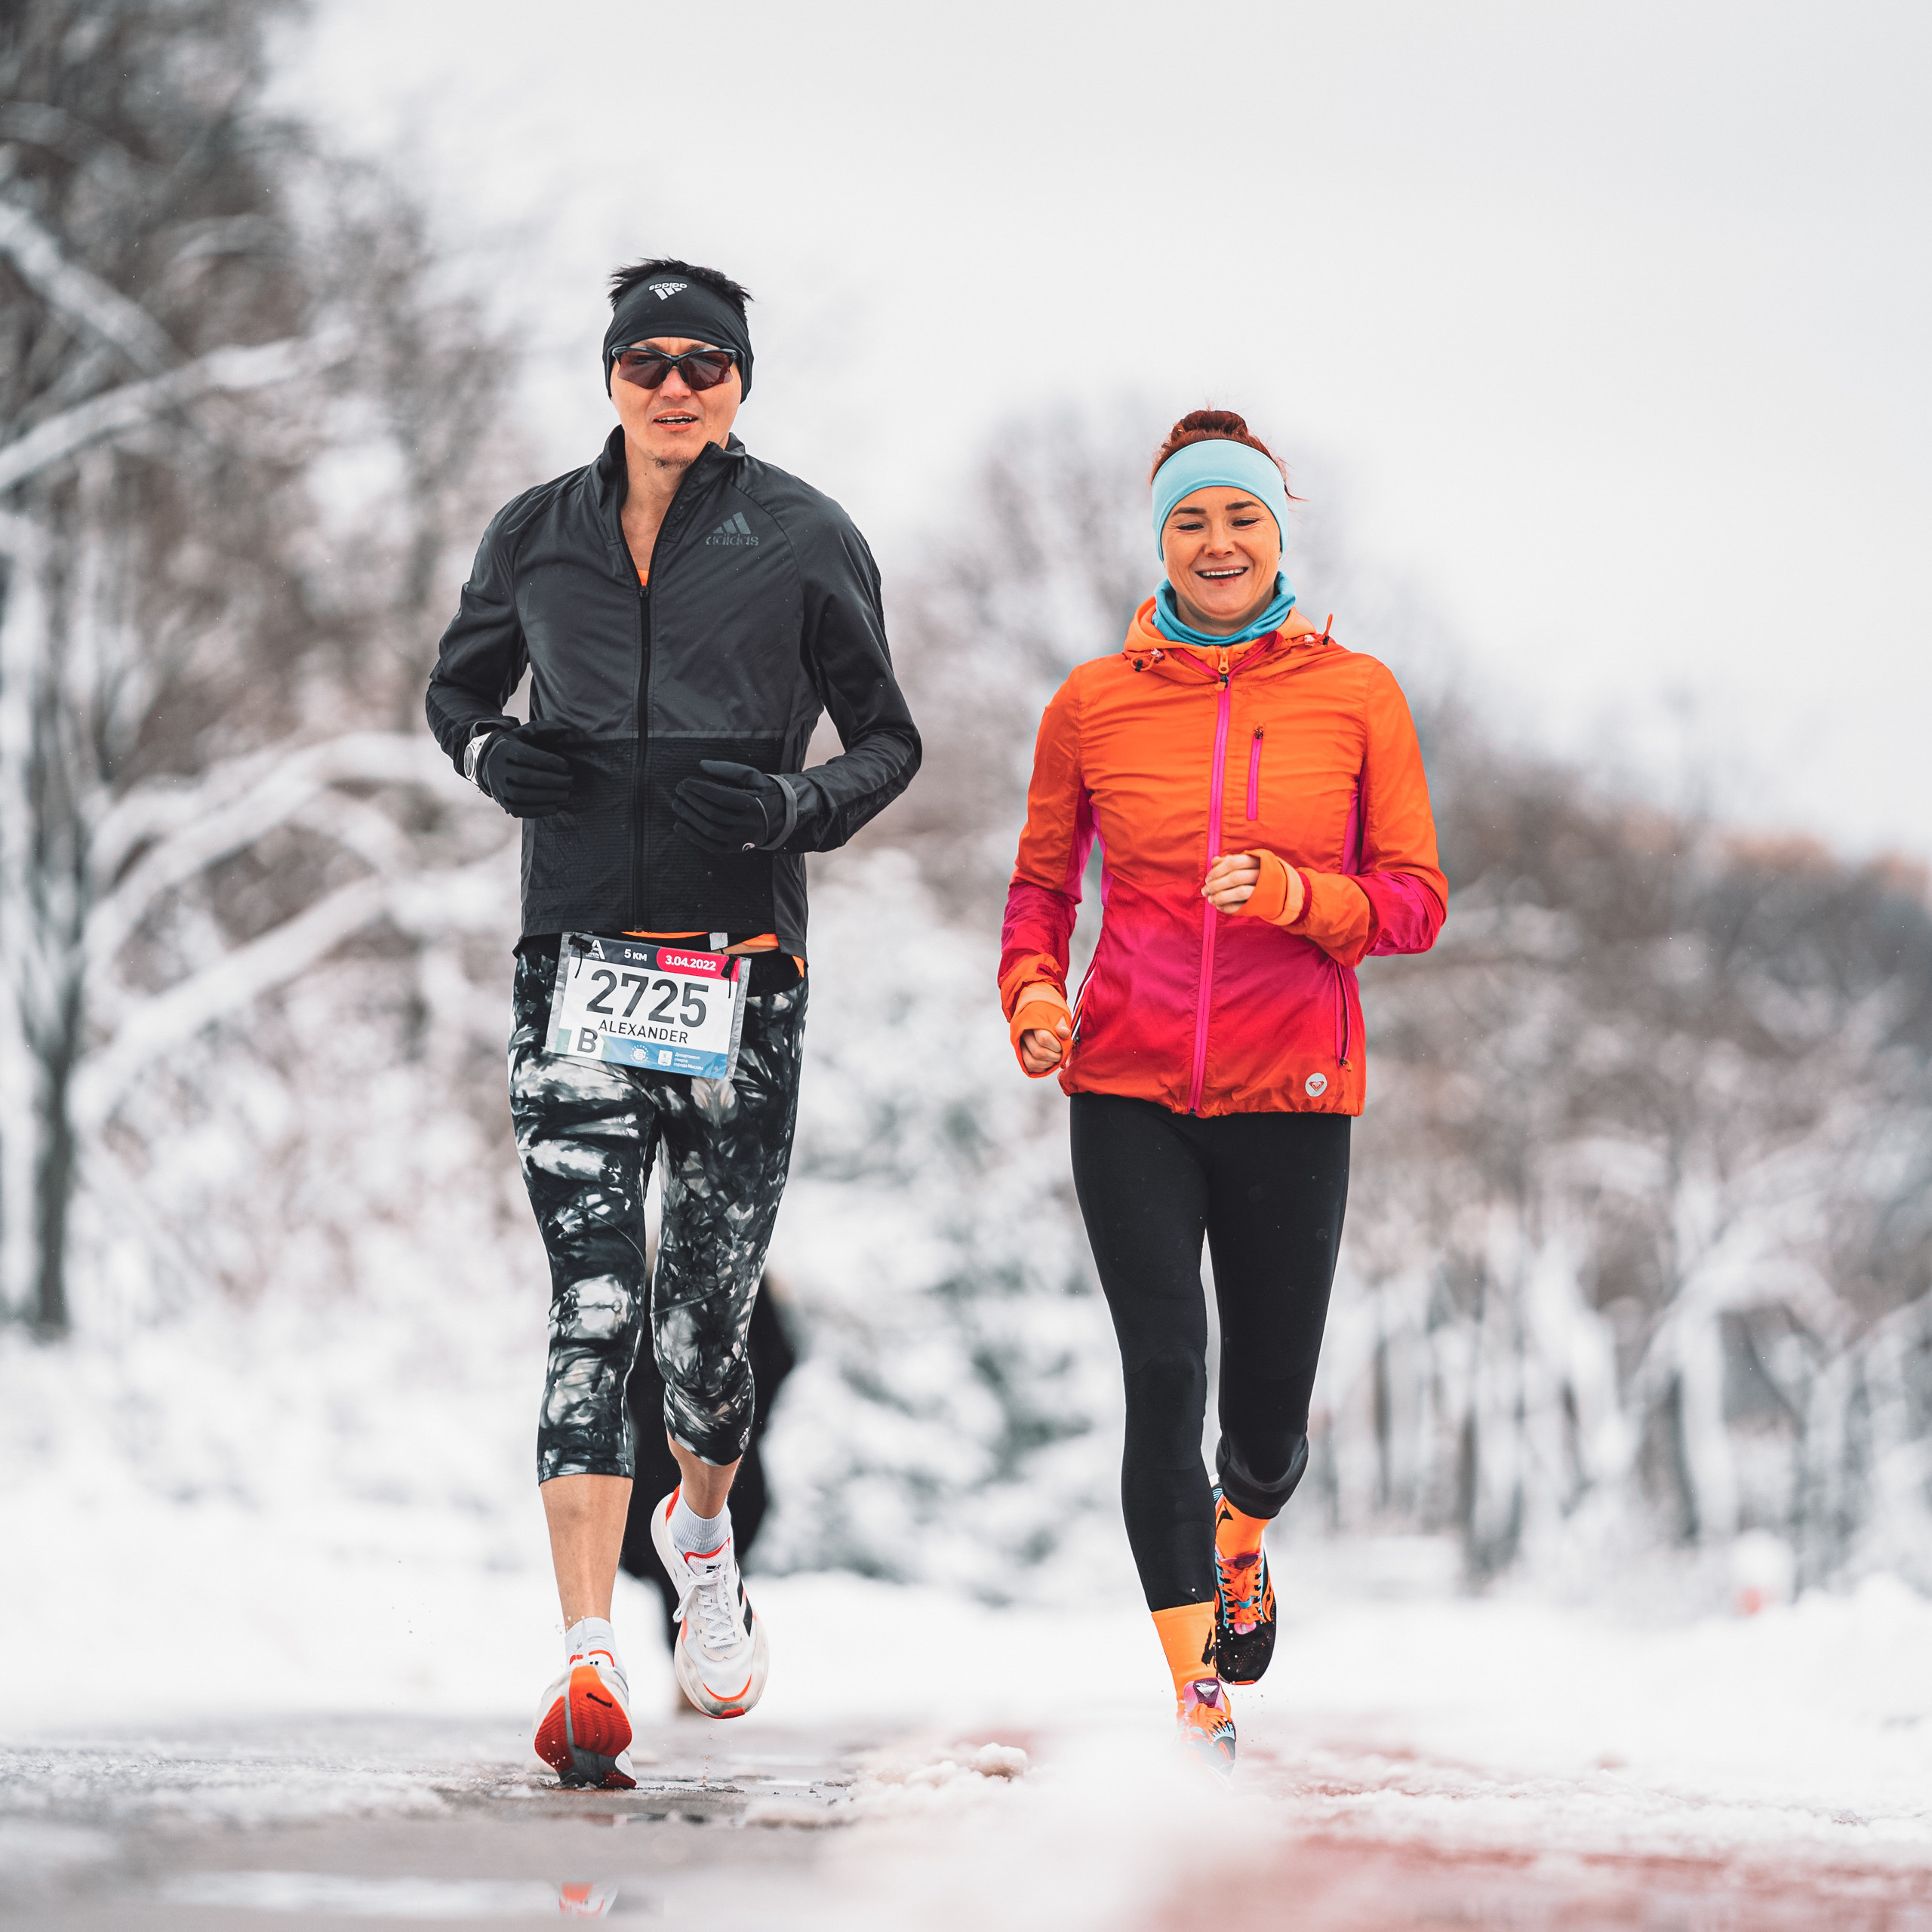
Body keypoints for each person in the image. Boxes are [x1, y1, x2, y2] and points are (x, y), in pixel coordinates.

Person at [426, 258, 920, 1788]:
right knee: (592, 1300)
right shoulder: (536, 533)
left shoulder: (804, 535)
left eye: (704, 359)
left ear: (741, 381)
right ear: (611, 374)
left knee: (703, 1330)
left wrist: (797, 799)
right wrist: (492, 756)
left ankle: (696, 1528)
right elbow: (456, 696)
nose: (675, 381)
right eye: (648, 357)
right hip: (571, 955)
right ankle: (583, 1654)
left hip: (738, 964)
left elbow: (888, 738)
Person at [998, 410, 1444, 1774]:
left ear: (1280, 531)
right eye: (1190, 518)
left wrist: (1306, 896)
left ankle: (1245, 1528)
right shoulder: (1092, 702)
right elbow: (1039, 888)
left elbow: (1418, 903)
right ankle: (1199, 1691)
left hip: (1293, 1091)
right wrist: (1029, 993)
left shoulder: (1358, 695)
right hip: (1125, 1081)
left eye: (1240, 516)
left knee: (1261, 1413)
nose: (1216, 541)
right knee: (1162, 1373)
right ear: (1160, 541)